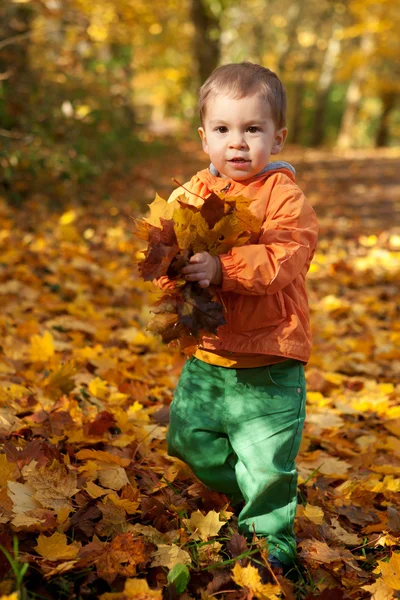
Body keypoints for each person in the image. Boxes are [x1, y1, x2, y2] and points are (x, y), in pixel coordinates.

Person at [155, 62, 318, 570]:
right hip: (207, 358)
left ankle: (273, 549)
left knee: (267, 465)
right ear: (204, 138)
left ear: (278, 137)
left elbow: (286, 257)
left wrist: (222, 268)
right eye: (224, 129)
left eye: (253, 129)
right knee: (187, 441)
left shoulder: (284, 197)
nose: (238, 143)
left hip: (270, 360)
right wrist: (175, 268)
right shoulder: (189, 196)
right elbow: (162, 254)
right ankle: (247, 490)